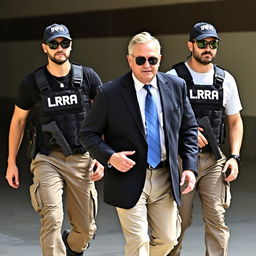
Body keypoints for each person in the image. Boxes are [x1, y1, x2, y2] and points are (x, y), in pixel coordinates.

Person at [79, 31, 198, 256]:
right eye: (140, 59)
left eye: (152, 60)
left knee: (168, 240)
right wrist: (110, 157)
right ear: (130, 60)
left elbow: (189, 129)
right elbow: (88, 134)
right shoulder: (110, 93)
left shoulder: (176, 86)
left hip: (164, 176)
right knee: (138, 242)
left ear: (159, 59)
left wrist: (190, 167)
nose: (147, 65)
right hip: (129, 177)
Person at [5, 23, 104, 256]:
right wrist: (11, 162)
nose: (59, 48)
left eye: (64, 43)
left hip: (82, 159)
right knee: (52, 216)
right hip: (47, 159)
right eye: (54, 44)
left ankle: (71, 247)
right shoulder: (31, 84)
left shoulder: (88, 77)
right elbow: (18, 121)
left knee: (86, 230)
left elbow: (103, 117)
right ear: (44, 48)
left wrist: (102, 155)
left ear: (70, 45)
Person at [166, 22, 243, 256]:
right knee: (179, 221)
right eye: (202, 43)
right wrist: (186, 133)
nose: (208, 48)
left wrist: (235, 157)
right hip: (181, 160)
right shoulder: (173, 77)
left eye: (213, 43)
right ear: (191, 45)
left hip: (214, 161)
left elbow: (235, 121)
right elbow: (160, 119)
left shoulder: (224, 79)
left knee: (217, 220)